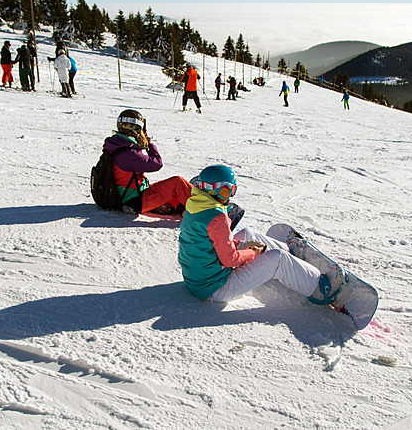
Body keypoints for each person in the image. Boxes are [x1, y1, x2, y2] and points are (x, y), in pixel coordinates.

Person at [178, 164, 337, 305]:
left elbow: (204, 242)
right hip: (215, 288)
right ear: (221, 190)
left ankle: (293, 256)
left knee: (248, 233)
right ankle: (320, 290)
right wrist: (251, 253)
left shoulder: (194, 207)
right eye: (230, 191)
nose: (231, 196)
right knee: (277, 258)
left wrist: (240, 246)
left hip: (197, 281)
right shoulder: (217, 217)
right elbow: (228, 260)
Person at [103, 109, 193, 216]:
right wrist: (149, 144)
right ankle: (208, 205)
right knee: (177, 183)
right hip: (135, 201)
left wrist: (140, 142)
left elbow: (134, 161)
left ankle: (182, 210)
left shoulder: (116, 144)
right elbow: (156, 163)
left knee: (169, 190)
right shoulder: (128, 153)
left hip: (126, 196)